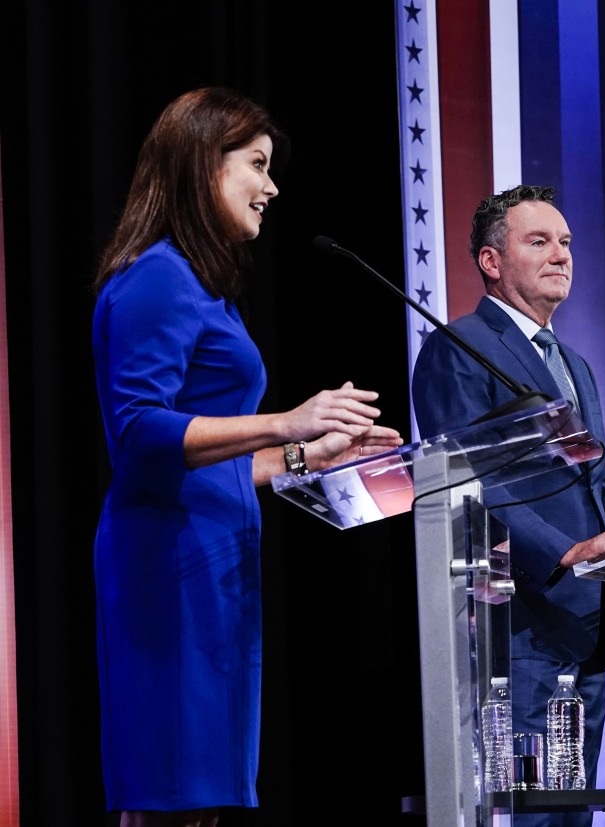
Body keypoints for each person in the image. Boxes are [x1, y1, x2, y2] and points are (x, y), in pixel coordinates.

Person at [91, 87, 403, 827]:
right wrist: (282, 421)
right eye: (256, 164)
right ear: (203, 165)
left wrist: (308, 455)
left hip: (215, 561)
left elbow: (212, 459)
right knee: (170, 796)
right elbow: (139, 435)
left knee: (204, 802)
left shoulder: (209, 290)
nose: (272, 186)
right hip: (167, 566)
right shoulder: (157, 276)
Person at [411, 185, 605, 826]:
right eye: (539, 241)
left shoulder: (572, 363)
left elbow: (600, 487)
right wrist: (565, 551)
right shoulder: (459, 346)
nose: (561, 255)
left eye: (566, 243)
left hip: (582, 629)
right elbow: (466, 479)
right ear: (491, 262)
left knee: (572, 813)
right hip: (514, 625)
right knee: (527, 814)